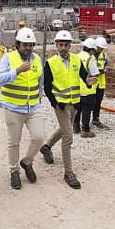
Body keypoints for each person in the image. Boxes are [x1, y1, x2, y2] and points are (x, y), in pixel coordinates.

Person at [39, 30, 97, 189]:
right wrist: (54, 103)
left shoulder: (76, 60)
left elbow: (84, 76)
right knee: (68, 136)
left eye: (66, 44)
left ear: (70, 45)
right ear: (56, 45)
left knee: (66, 130)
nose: (63, 47)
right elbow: (47, 86)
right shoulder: (50, 63)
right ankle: (68, 173)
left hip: (75, 103)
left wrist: (89, 81)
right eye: (61, 44)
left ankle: (46, 146)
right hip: (61, 105)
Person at [0, 27, 44, 190]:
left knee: (39, 138)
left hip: (33, 108)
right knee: (14, 142)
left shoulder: (37, 59)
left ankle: (27, 162)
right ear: (17, 44)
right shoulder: (8, 58)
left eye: (31, 45)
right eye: (25, 45)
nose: (28, 48)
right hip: (13, 108)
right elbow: (0, 78)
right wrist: (17, 71)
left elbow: (40, 79)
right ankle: (14, 171)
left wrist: (39, 97)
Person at [73, 38, 100, 137]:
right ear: (91, 50)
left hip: (76, 88)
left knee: (77, 109)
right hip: (88, 89)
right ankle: (85, 130)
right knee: (87, 110)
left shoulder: (76, 57)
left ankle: (75, 127)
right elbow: (95, 74)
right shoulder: (90, 59)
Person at [91, 37, 110, 130]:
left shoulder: (103, 56)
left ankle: (95, 119)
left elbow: (106, 65)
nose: (100, 50)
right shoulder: (90, 56)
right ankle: (82, 121)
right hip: (91, 83)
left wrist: (104, 70)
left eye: (102, 49)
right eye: (99, 48)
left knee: (98, 102)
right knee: (88, 102)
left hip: (100, 83)